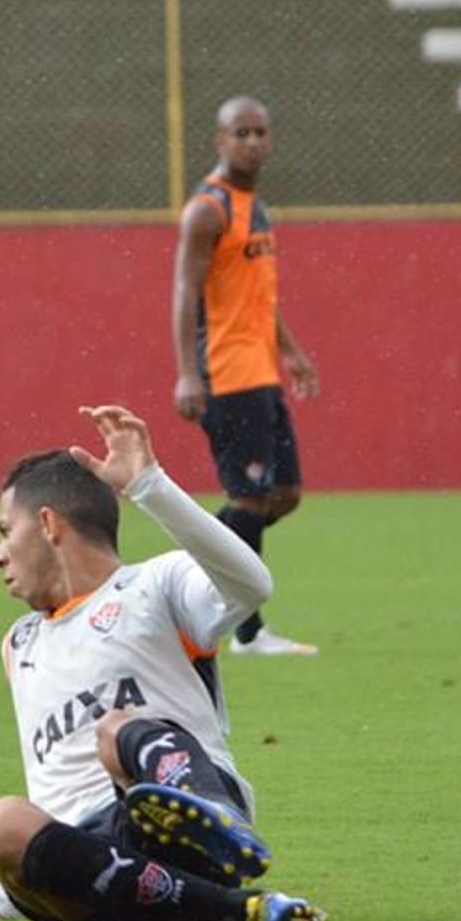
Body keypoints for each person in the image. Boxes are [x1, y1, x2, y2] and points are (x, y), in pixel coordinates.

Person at [0, 405, 325, 921]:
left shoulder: (156, 585)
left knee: (115, 730)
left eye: (6, 531)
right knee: (3, 822)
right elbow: (49, 773)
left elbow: (252, 585)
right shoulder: (21, 643)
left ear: (49, 524)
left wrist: (151, 486)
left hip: (164, 817)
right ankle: (229, 908)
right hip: (95, 870)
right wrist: (1, 897)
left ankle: (217, 825)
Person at [171, 96, 320, 657]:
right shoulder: (207, 210)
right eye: (241, 133)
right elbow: (184, 291)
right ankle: (248, 634)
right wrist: (188, 373)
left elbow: (258, 297)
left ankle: (193, 562)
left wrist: (293, 352)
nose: (253, 142)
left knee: (283, 494)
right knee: (250, 499)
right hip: (226, 376)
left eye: (261, 132)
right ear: (219, 141)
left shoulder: (254, 207)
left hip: (260, 374)